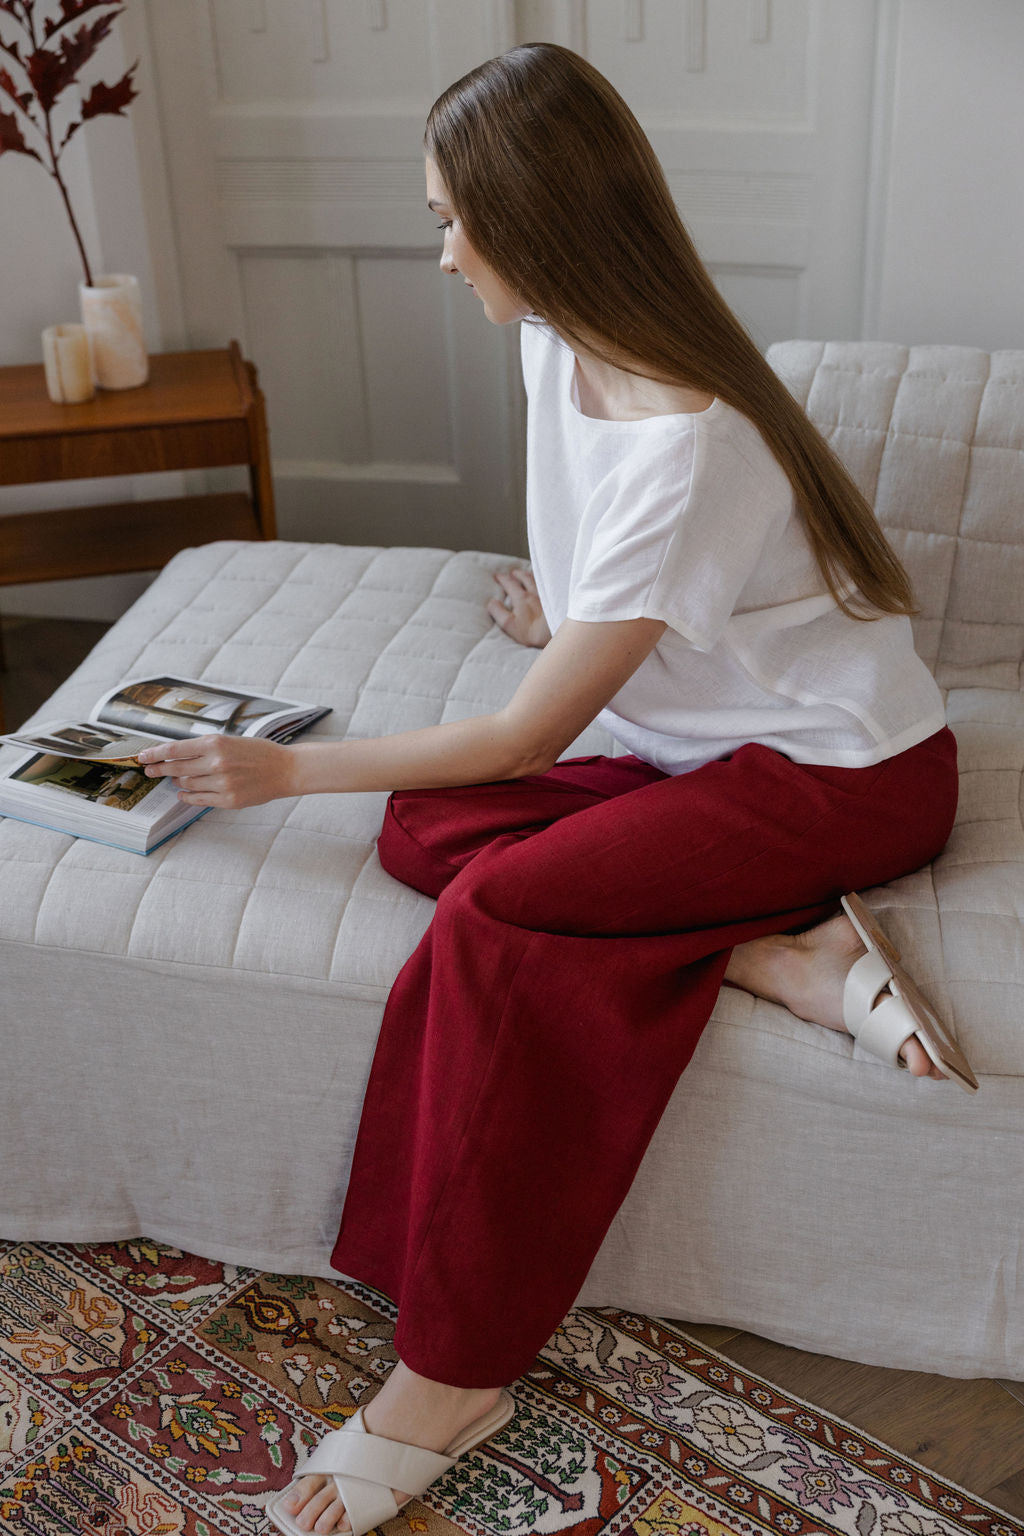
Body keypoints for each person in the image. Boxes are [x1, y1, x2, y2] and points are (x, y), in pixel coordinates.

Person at [137, 43, 968, 1536]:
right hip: (707, 753)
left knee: (504, 917)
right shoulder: (555, 342)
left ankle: (454, 1372)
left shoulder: (690, 441)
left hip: (848, 784)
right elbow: (616, 608)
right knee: (423, 827)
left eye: (456, 220)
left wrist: (281, 773)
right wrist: (575, 618)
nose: (442, 252)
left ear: (535, 226)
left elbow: (524, 744)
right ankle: (781, 954)